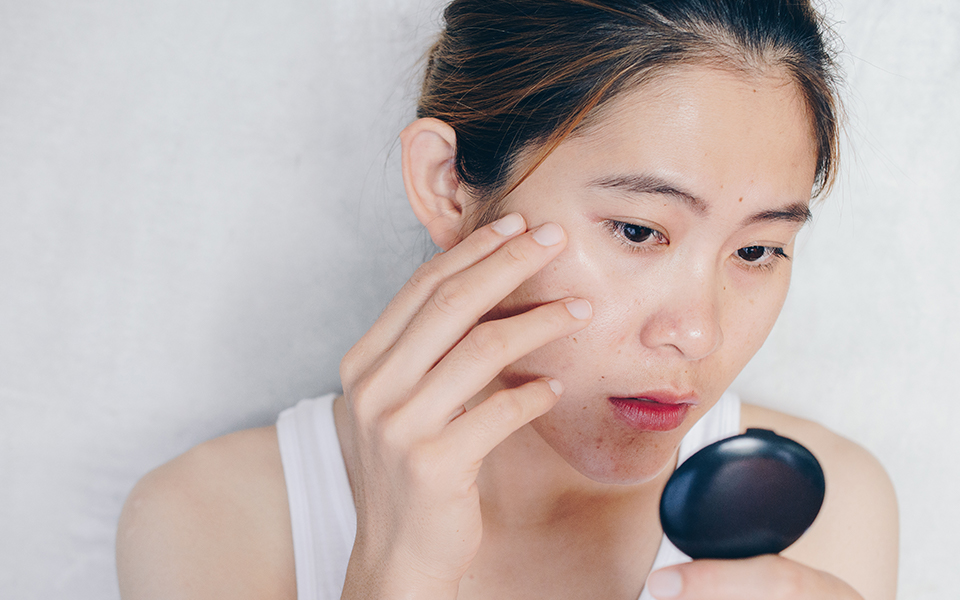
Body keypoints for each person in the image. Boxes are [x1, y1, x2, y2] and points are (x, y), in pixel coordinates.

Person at [116, 1, 899, 598]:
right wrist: (395, 573)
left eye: (757, 251)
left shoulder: (821, 517)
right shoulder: (211, 519)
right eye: (637, 230)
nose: (697, 333)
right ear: (446, 185)